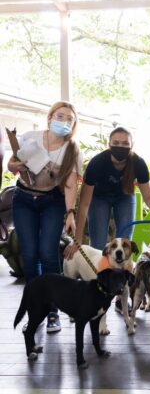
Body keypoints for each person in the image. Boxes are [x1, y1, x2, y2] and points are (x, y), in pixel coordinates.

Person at [63, 127, 150, 311]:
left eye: (125, 143)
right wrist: (77, 240)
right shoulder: (97, 163)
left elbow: (148, 197)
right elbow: (84, 205)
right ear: (109, 144)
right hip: (99, 199)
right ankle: (97, 292)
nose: (120, 147)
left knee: (124, 246)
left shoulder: (138, 163)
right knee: (98, 244)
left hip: (125, 196)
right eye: (116, 143)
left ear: (132, 145)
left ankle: (121, 295)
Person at [8, 101, 82, 333]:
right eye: (60, 116)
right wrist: (12, 165)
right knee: (29, 256)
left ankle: (52, 311)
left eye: (70, 119)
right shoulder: (30, 137)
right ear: (50, 118)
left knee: (48, 254)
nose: (65, 121)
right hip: (23, 200)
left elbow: (70, 185)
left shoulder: (72, 149)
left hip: (52, 201)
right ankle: (35, 309)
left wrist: (70, 213)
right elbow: (11, 164)